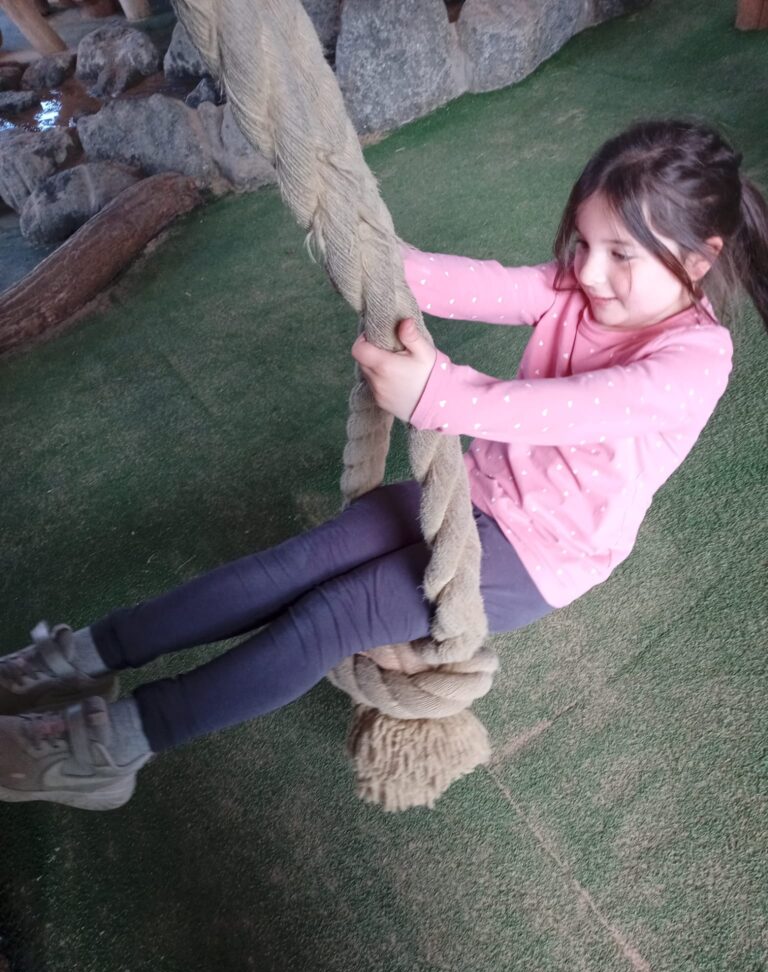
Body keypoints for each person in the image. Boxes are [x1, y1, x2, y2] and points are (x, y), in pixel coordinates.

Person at [1, 119, 766, 812]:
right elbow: (489, 284)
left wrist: (435, 391)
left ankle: (108, 748)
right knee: (293, 565)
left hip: (537, 555)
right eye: (586, 244)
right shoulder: (576, 288)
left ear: (702, 259)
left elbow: (566, 409)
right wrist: (380, 262)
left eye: (621, 255)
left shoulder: (694, 360)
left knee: (333, 614)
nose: (591, 273)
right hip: (471, 495)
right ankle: (79, 656)